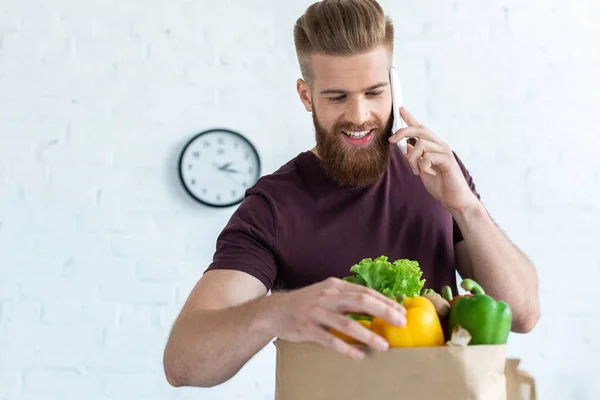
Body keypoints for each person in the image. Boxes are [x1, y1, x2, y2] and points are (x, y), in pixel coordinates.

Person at [163, 0, 540, 388]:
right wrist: (277, 311)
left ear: (394, 86)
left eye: (375, 93)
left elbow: (523, 315)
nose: (360, 115)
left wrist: (466, 208)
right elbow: (183, 364)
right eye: (337, 97)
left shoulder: (437, 175)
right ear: (306, 96)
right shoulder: (272, 207)